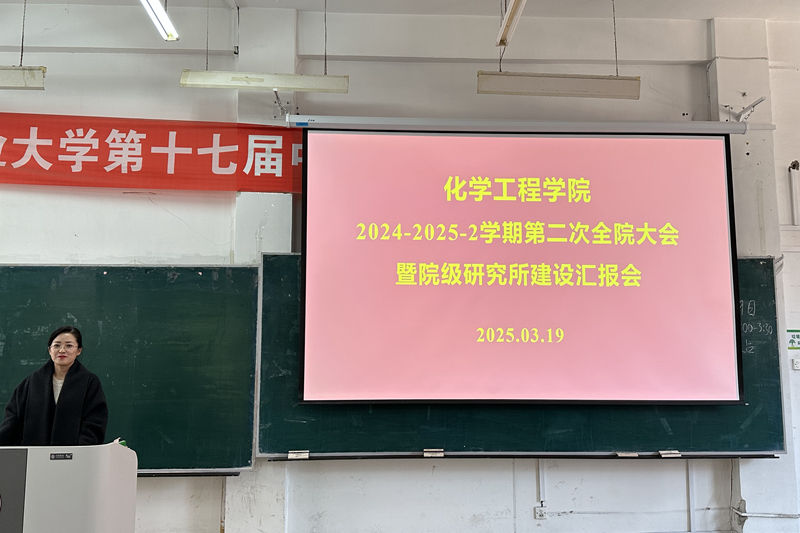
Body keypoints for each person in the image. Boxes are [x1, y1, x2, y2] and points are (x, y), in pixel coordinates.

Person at [0, 325, 108, 446]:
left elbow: (94, 423)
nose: (62, 350)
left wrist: (81, 450)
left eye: (69, 346)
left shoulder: (89, 382)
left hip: (74, 454)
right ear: (49, 350)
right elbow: (12, 420)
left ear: (79, 350)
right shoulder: (31, 383)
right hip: (35, 454)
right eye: (56, 345)